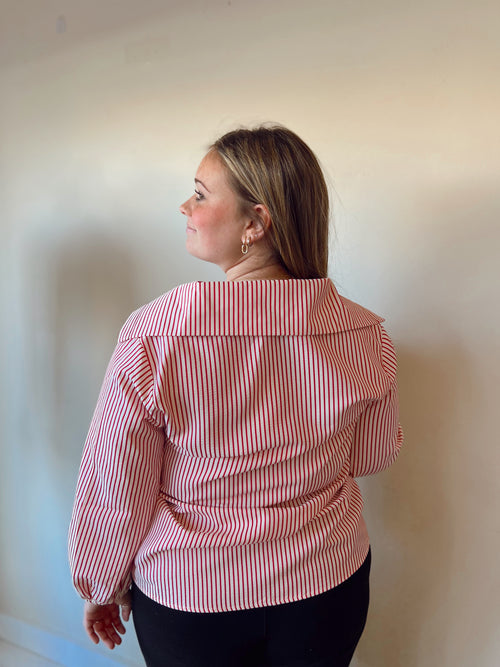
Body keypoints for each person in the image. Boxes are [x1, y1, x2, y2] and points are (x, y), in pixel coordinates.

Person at [69, 125, 403, 666]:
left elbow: (116, 483)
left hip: (194, 595)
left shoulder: (157, 332)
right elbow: (372, 455)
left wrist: (100, 583)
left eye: (200, 194)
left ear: (256, 221)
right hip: (326, 581)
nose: (185, 206)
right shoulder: (362, 332)